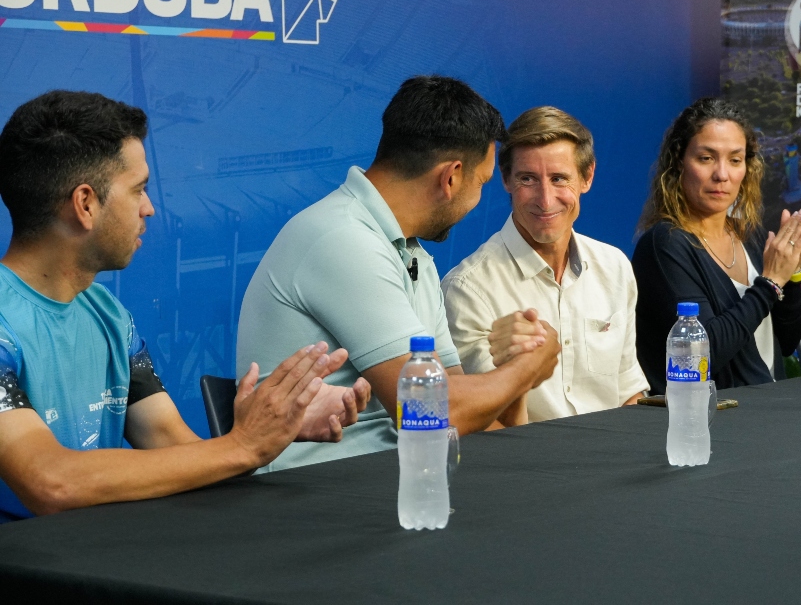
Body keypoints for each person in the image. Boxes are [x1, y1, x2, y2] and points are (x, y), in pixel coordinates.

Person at [0, 91, 370, 522]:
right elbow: (50, 482)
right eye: (138, 189)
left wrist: (271, 429)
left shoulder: (109, 315)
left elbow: (171, 443)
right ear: (85, 204)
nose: (149, 208)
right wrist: (242, 446)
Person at [237, 76, 560, 470]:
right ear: (451, 177)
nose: (478, 198)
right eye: (481, 183)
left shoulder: (411, 254)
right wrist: (529, 367)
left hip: (393, 473)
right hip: (315, 487)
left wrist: (516, 380)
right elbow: (432, 413)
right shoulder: (343, 239)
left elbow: (457, 402)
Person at [441, 107, 648, 425]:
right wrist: (519, 368)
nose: (546, 200)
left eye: (559, 179)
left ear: (587, 177)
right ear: (506, 179)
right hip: (526, 454)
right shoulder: (467, 289)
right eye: (528, 179)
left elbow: (629, 391)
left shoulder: (615, 266)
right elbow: (484, 422)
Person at [632, 97, 801, 391]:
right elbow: (702, 356)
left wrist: (792, 270)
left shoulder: (751, 235)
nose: (722, 175)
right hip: (714, 413)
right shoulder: (664, 245)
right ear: (679, 161)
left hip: (772, 404)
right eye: (706, 158)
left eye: (735, 160)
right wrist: (771, 283)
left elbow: (787, 341)